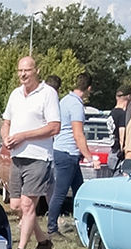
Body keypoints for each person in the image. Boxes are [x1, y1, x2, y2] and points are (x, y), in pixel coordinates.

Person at [0, 55, 60, 249]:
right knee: (16, 205)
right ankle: (44, 243)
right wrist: (6, 137)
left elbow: (54, 127)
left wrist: (24, 136)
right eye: (20, 71)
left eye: (27, 70)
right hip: (17, 156)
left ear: (36, 71)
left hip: (38, 157)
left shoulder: (48, 94)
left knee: (27, 205)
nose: (23, 74)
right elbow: (6, 122)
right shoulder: (15, 95)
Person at [46, 73, 93, 239]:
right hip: (67, 153)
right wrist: (89, 157)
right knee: (60, 193)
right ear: (89, 89)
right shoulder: (76, 105)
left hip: (64, 152)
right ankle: (51, 228)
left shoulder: (65, 100)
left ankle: (82, 225)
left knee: (80, 191)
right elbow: (78, 134)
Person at [108, 83, 131, 162]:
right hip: (118, 155)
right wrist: (123, 153)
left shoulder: (112, 113)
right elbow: (122, 135)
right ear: (129, 96)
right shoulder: (122, 114)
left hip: (112, 151)